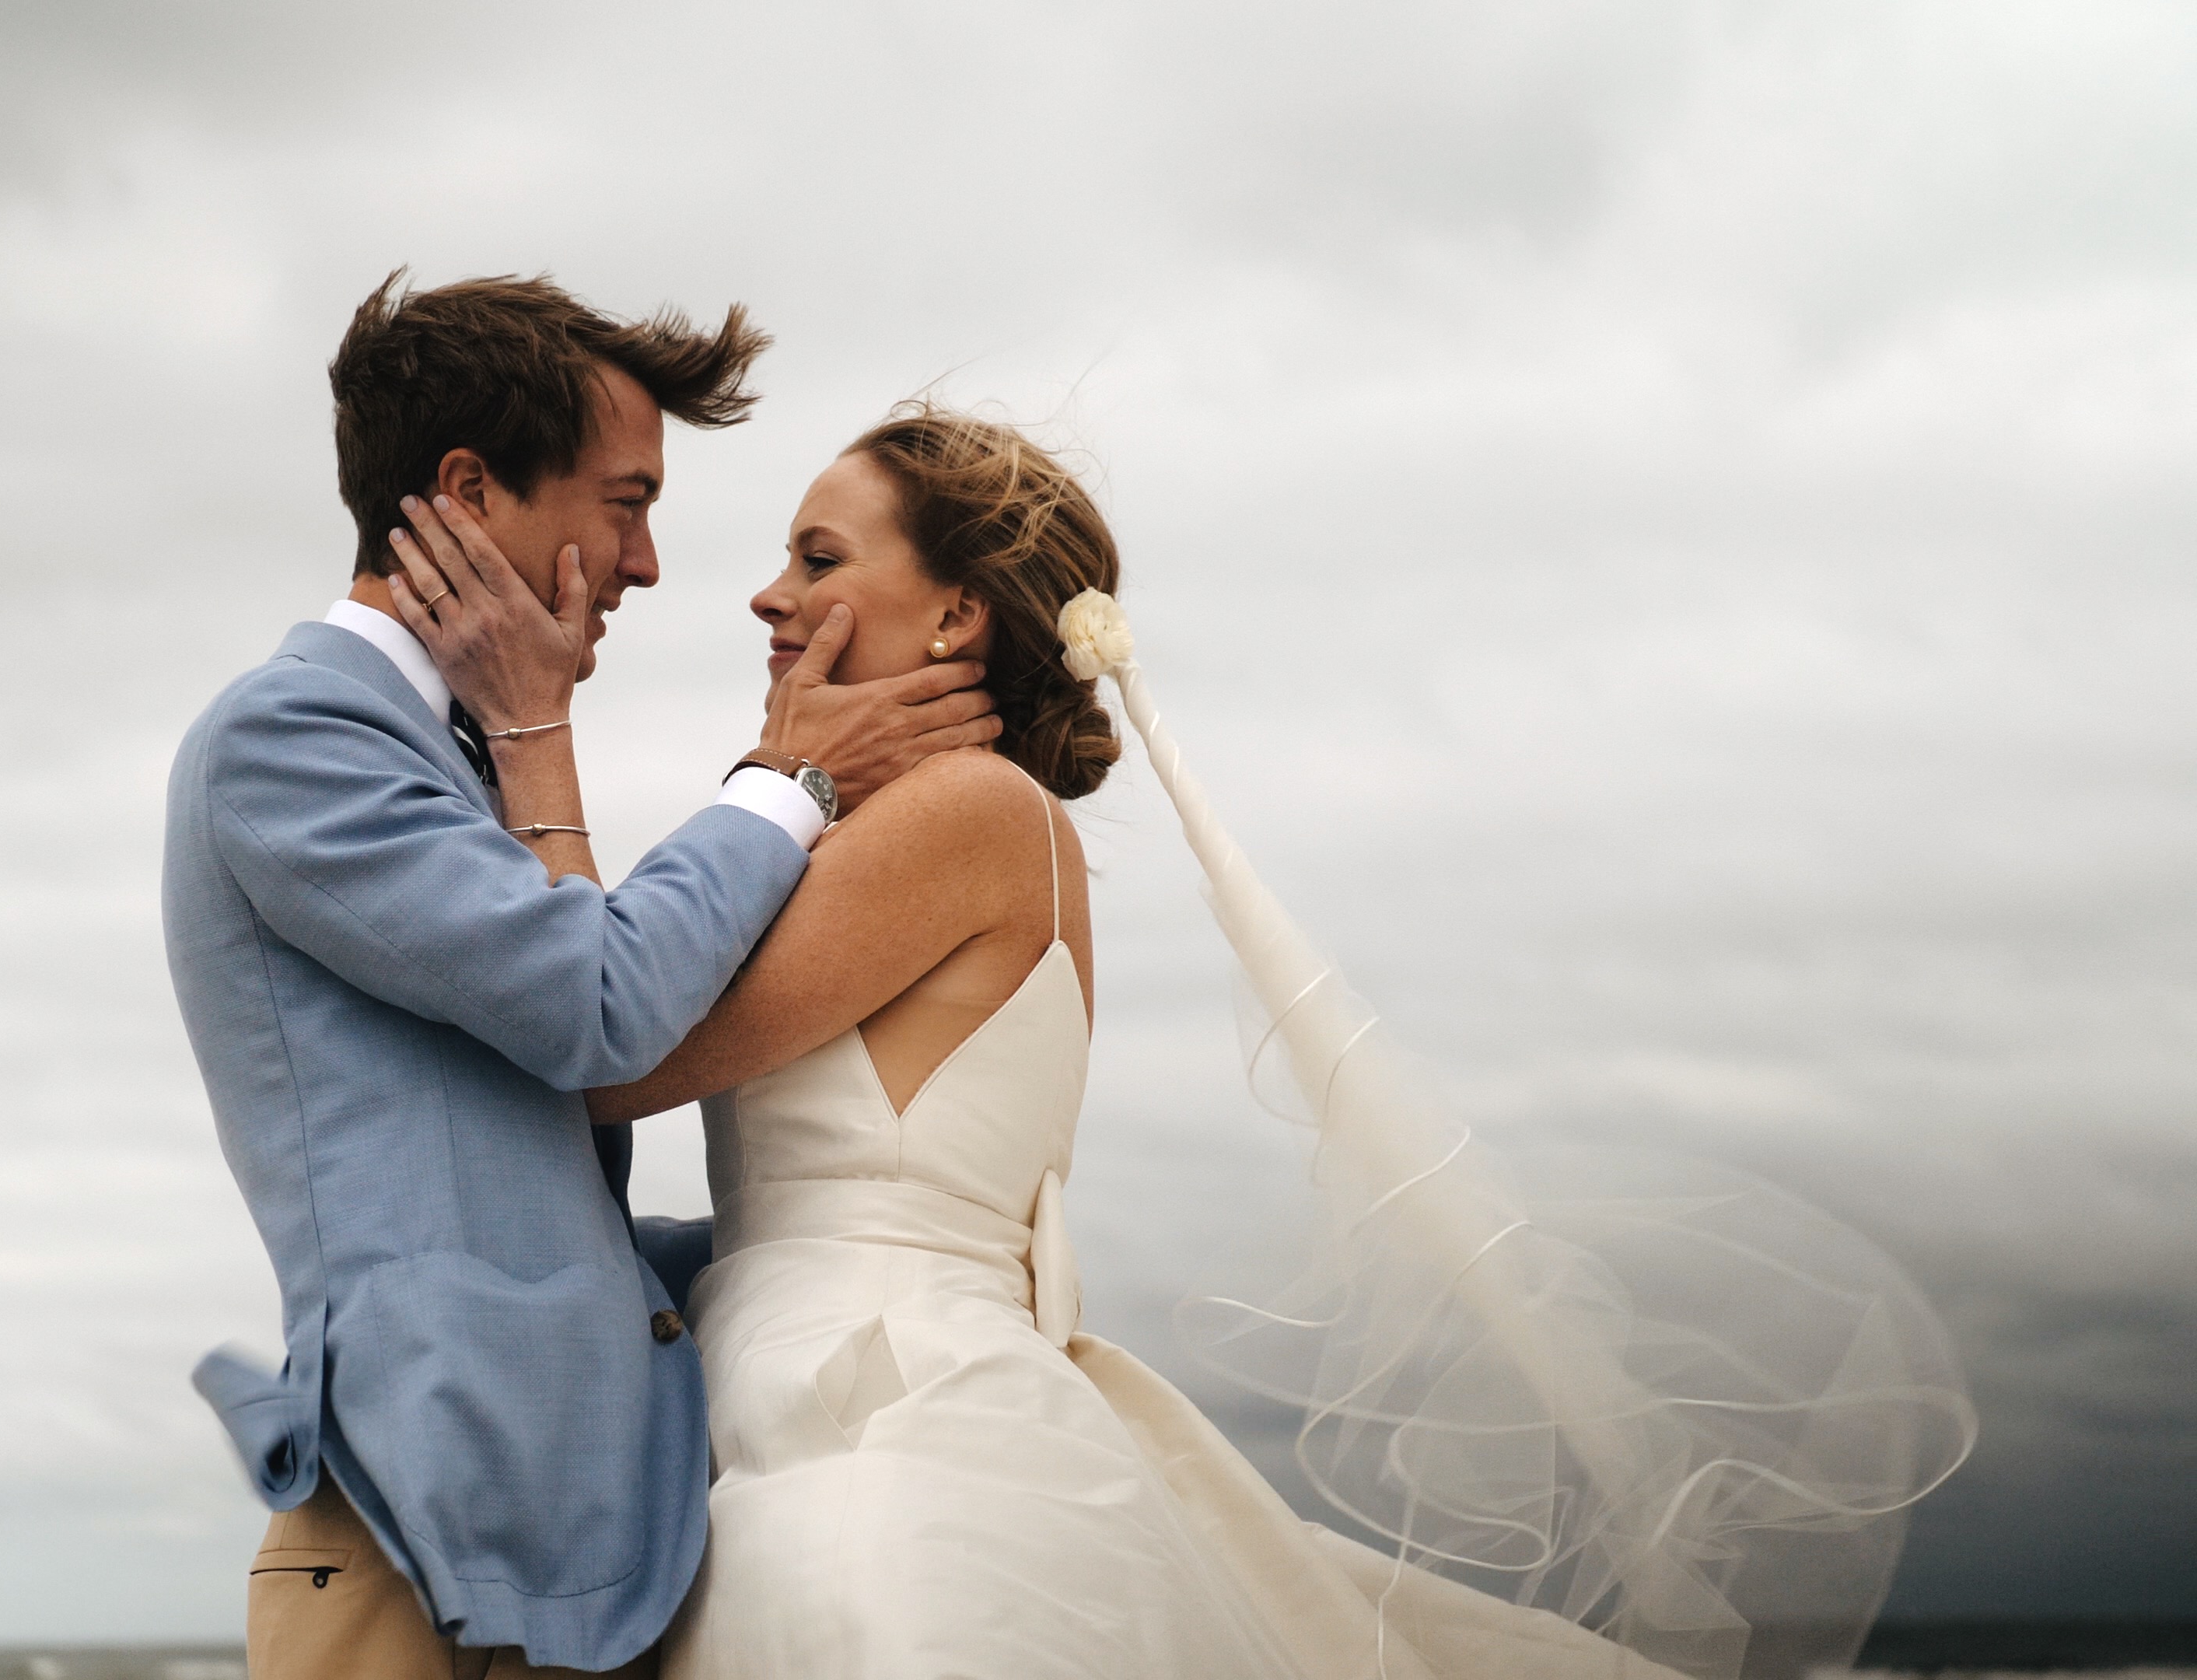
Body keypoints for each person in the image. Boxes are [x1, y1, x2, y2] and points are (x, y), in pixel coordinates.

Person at [458, 404, 1972, 1680]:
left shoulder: (969, 815)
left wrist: (540, 724)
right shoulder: (903, 829)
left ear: (959, 615)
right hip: (798, 1403)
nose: (767, 597)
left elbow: (605, 1043)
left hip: (879, 1437)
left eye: (819, 557)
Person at [161, 275, 1002, 1680]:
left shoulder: (465, 755)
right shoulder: (292, 737)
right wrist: (785, 782)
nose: (652, 562)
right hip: (423, 1551)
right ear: (471, 489)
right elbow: (596, 1008)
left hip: (558, 1539)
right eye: (627, 501)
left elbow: (535, 1183)